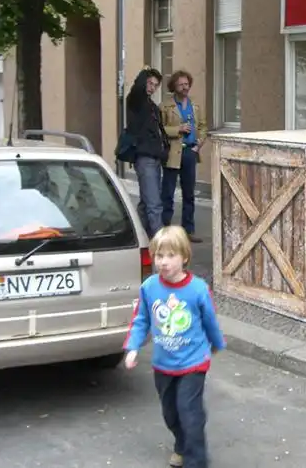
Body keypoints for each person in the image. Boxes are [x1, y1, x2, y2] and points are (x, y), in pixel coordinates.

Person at [124, 226, 226, 468]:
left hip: (193, 362)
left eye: (171, 256)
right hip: (163, 365)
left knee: (189, 411)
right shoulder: (150, 287)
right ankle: (182, 444)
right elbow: (141, 319)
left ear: (185, 257)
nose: (164, 262)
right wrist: (133, 347)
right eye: (159, 256)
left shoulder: (197, 289)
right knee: (170, 413)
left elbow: (210, 320)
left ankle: (196, 460)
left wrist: (216, 343)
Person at [160, 70, 207, 243]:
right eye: (181, 84)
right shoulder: (165, 106)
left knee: (189, 193)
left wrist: (199, 143)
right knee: (168, 192)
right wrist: (177, 129)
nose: (185, 87)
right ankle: (164, 229)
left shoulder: (195, 106)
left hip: (190, 152)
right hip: (172, 152)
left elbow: (203, 126)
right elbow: (159, 129)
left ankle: (188, 230)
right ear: (174, 86)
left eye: (187, 84)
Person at [127, 67, 169, 238]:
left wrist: (164, 150)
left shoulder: (152, 106)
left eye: (155, 85)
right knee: (154, 204)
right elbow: (137, 89)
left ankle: (138, 236)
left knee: (146, 202)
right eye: (149, 83)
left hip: (155, 157)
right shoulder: (136, 101)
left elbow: (159, 131)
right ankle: (160, 241)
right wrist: (144, 73)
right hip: (145, 157)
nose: (152, 87)